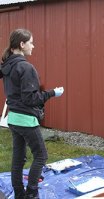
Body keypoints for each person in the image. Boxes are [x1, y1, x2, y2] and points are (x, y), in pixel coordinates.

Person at [0, 29, 64, 199]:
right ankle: (31, 193)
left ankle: (19, 194)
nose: (33, 46)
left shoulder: (7, 65)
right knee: (41, 156)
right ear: (22, 44)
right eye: (31, 42)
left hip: (13, 118)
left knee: (18, 158)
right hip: (26, 119)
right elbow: (30, 99)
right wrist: (52, 93)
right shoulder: (25, 67)